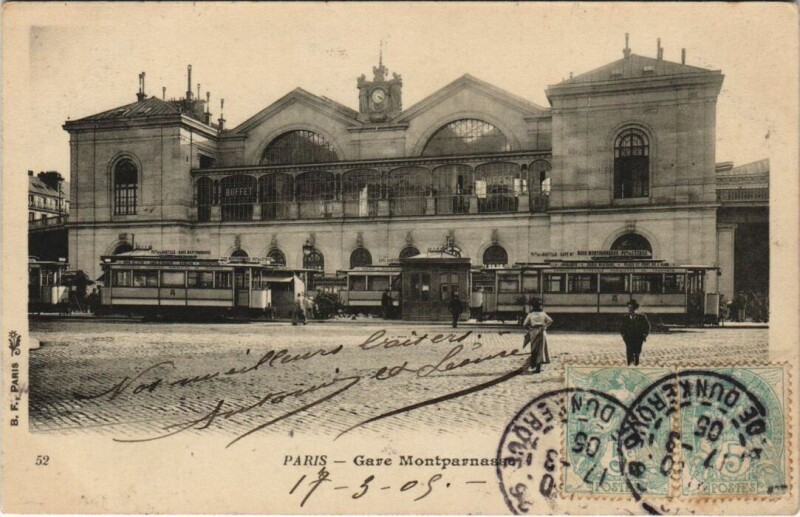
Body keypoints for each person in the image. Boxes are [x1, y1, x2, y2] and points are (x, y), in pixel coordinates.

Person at [522, 299, 553, 374]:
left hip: (533, 332)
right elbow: (550, 320)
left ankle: (534, 366)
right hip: (542, 332)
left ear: (532, 306)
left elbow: (524, 324)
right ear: (540, 306)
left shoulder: (530, 314)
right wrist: (545, 326)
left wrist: (529, 329)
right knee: (541, 350)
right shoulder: (543, 313)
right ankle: (538, 368)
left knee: (534, 349)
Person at [620, 299, 650, 366]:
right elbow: (622, 328)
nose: (630, 309)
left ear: (635, 308)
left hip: (638, 338)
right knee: (629, 352)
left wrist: (644, 335)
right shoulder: (625, 317)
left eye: (632, 308)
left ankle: (636, 364)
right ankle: (629, 364)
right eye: (629, 308)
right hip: (628, 338)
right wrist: (624, 335)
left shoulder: (642, 317)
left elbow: (647, 327)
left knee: (637, 352)